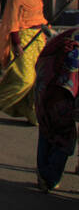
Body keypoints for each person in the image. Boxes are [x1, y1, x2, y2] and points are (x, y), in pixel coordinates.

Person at [0, 0, 49, 125]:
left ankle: (31, 112)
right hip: (22, 36)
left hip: (38, 37)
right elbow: (12, 20)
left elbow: (39, 15)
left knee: (38, 79)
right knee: (25, 79)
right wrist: (16, 43)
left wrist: (46, 29)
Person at [33, 25, 79, 191]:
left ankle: (44, 173)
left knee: (46, 131)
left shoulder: (69, 34)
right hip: (60, 96)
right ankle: (49, 177)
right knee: (64, 138)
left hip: (43, 88)